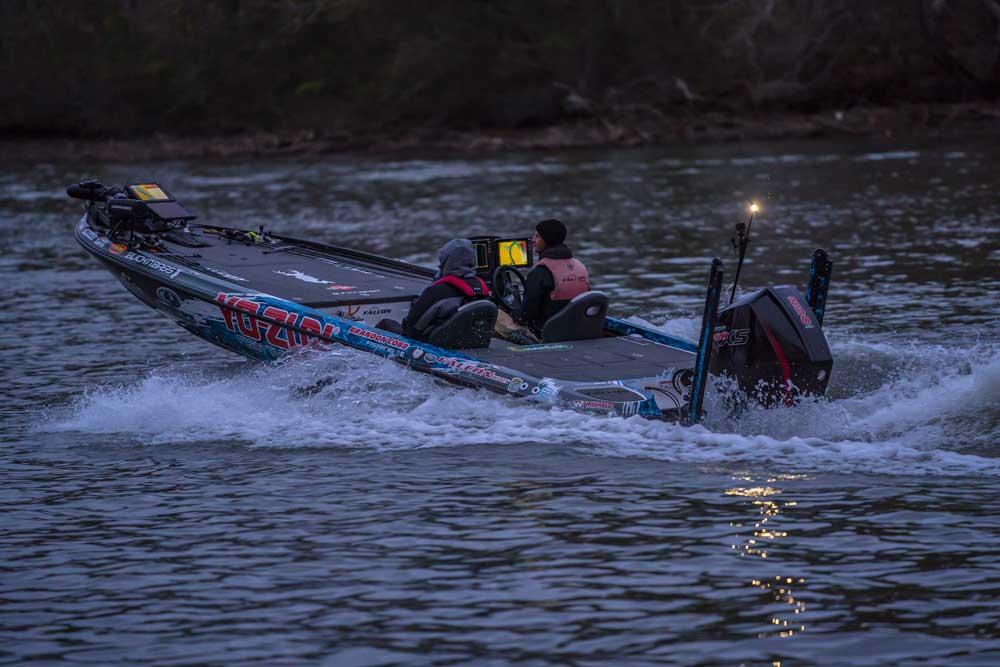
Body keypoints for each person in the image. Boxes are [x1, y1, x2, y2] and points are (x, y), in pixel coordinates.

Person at [378, 239, 489, 341]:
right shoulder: (482, 290)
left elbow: (411, 328)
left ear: (446, 261)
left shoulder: (438, 292)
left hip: (433, 342)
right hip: (464, 341)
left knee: (386, 324)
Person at [515, 218, 590, 335]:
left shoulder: (541, 271)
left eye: (537, 236)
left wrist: (513, 311)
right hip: (577, 328)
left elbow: (527, 315)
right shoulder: (579, 265)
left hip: (547, 333)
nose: (533, 240)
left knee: (498, 316)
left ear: (547, 240)